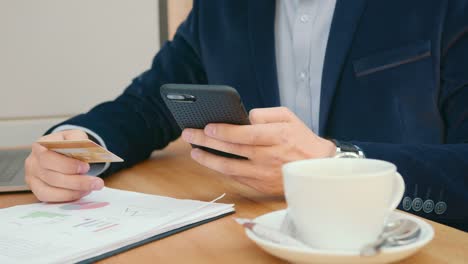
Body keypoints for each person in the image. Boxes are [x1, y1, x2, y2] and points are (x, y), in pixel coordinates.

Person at [25, 1, 468, 231]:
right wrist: (73, 144)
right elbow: (146, 104)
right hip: (252, 238)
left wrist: (336, 165)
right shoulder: (222, 8)